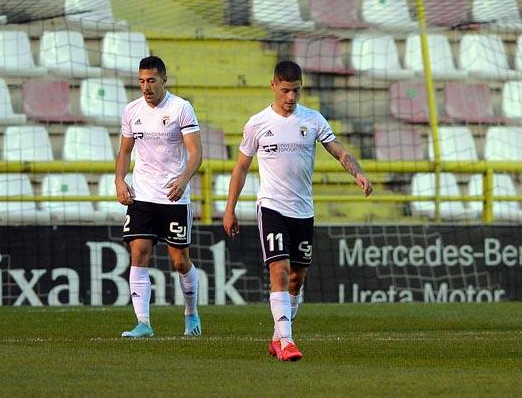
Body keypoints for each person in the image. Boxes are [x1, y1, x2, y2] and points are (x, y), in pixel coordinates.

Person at [223, 60, 372, 362]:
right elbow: (241, 167)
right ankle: (288, 342)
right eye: (286, 90)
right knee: (278, 270)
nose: (291, 97)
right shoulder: (257, 123)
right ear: (273, 86)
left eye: (297, 91)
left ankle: (278, 337)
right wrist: (230, 209)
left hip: (303, 210)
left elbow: (339, 150)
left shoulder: (313, 119)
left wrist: (356, 172)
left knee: (296, 279)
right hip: (272, 207)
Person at [114, 55, 203, 338]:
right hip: (142, 196)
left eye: (151, 80)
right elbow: (125, 150)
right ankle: (144, 323)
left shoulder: (181, 108)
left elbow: (196, 152)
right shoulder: (132, 111)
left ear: (164, 79)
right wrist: (119, 180)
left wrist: (183, 179)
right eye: (141, 81)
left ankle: (191, 313)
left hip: (173, 197)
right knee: (139, 253)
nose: (146, 87)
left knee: (179, 261)